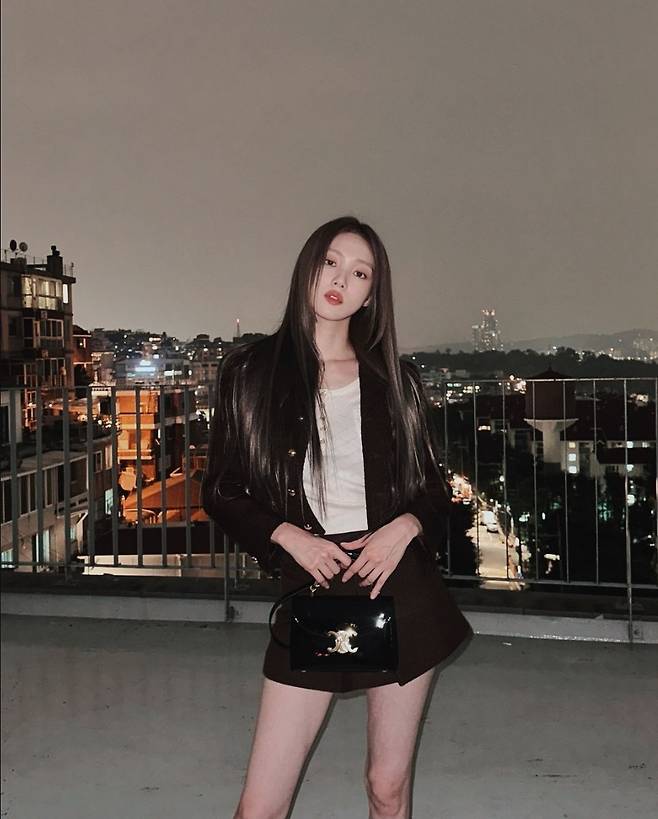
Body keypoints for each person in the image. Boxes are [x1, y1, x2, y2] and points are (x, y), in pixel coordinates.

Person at [202, 215, 473, 819]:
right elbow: (220, 489)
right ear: (308, 266)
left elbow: (433, 488)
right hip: (315, 578)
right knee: (261, 806)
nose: (340, 280)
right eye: (330, 262)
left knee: (387, 788)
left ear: (372, 294)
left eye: (360, 273)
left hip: (397, 579)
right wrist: (288, 537)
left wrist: (405, 527)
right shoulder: (250, 372)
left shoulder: (394, 379)